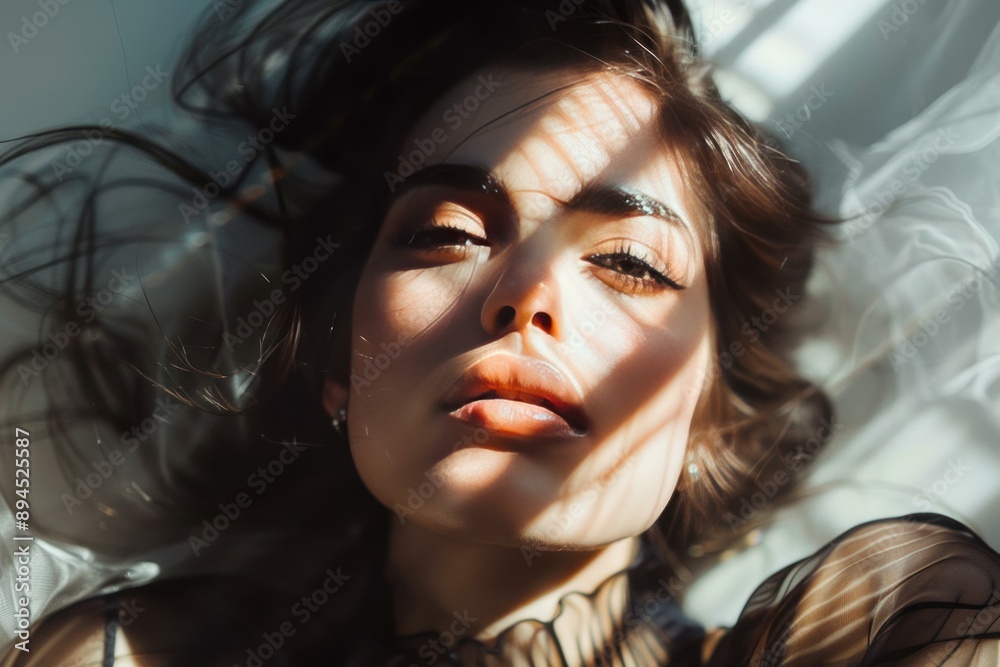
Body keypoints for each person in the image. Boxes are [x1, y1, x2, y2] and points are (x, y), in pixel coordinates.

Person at [1, 1, 999, 665]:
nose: (525, 295)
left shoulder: (883, 630)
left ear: (705, 410)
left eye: (628, 262)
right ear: (336, 364)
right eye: (444, 236)